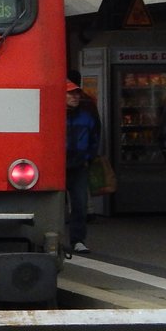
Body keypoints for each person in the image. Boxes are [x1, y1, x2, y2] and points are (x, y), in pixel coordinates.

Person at [66, 79, 101, 254]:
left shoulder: (85, 116)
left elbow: (94, 138)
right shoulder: (85, 116)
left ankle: (77, 239)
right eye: (71, 93)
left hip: (78, 164)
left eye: (76, 93)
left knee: (80, 203)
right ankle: (75, 239)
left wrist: (88, 157)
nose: (75, 96)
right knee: (75, 202)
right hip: (64, 164)